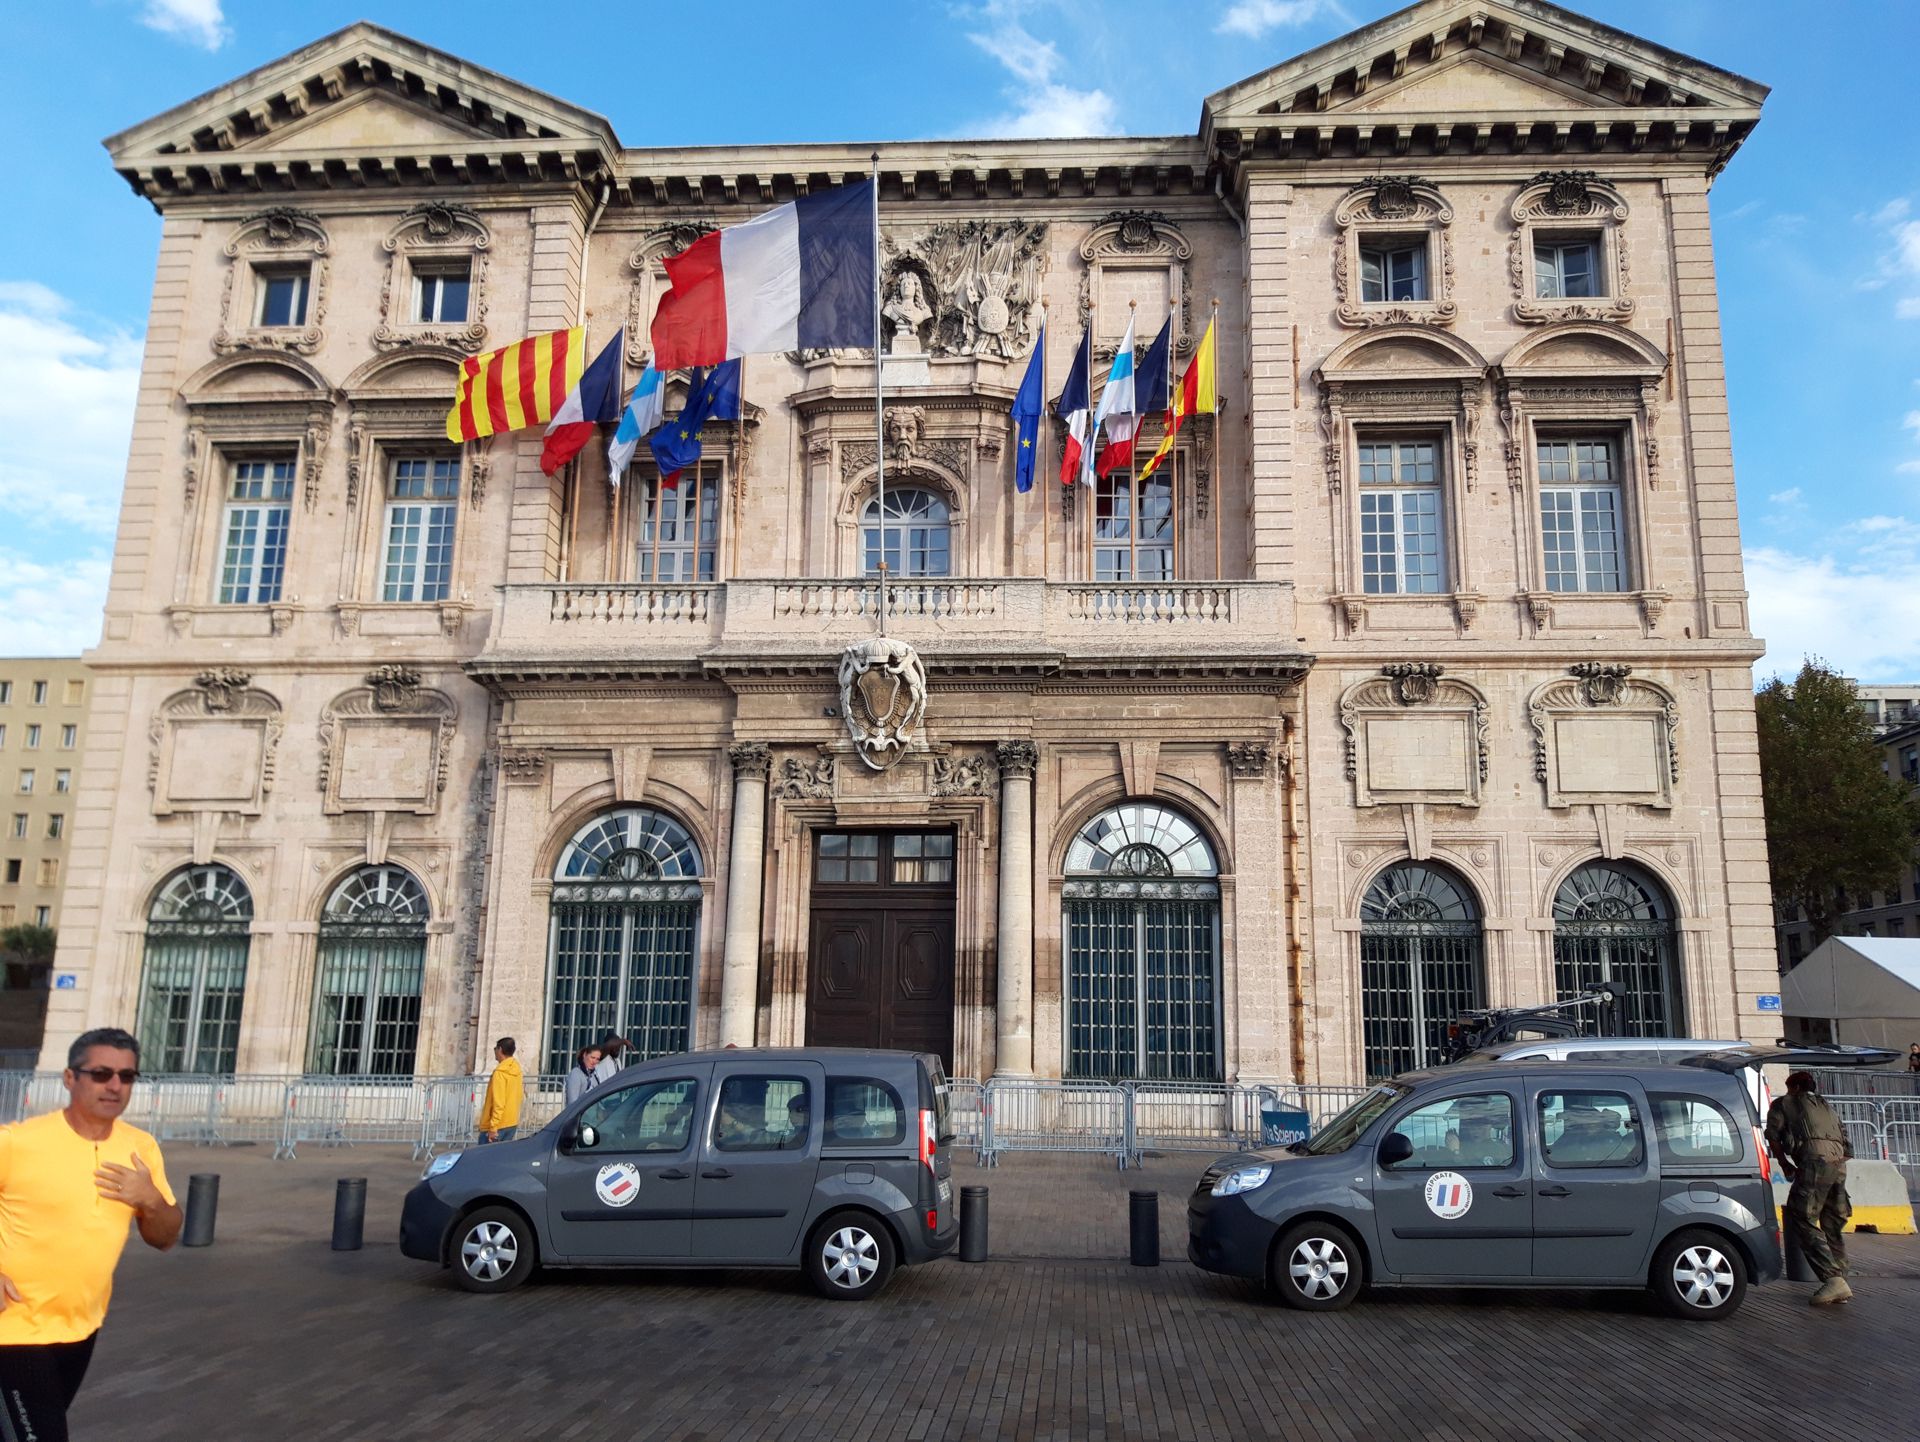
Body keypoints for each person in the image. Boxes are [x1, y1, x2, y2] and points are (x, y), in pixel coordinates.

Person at [0, 1027, 182, 1442]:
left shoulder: (140, 1148)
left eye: (126, 1076)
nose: (114, 1086)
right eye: (101, 1074)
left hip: (80, 1327)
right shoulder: (18, 1143)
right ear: (70, 1078)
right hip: (12, 1327)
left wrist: (152, 1200)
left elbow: (164, 1238)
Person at [1765, 1070, 1854, 1305]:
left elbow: (1773, 1136)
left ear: (1794, 1088)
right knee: (1832, 1224)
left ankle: (1833, 1279)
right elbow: (1847, 1144)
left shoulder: (1785, 1103)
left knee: (1801, 1216)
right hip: (1839, 1165)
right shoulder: (1826, 1105)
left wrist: (1785, 1164)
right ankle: (1842, 1282)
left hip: (1814, 1164)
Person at [476, 1037, 523, 1144]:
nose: (495, 1052)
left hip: (498, 1125)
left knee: (483, 1154)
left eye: (495, 1049)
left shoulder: (499, 1073)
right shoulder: (517, 1070)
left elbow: (499, 1102)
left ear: (500, 1049)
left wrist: (493, 1127)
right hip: (511, 1122)